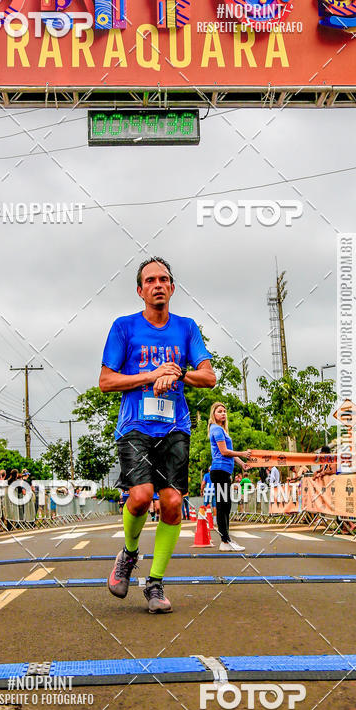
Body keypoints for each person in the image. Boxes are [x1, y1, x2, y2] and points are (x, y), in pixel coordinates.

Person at [100, 256, 216, 613]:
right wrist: (151, 376)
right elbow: (106, 381)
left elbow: (209, 377)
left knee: (172, 502)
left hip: (175, 426)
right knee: (139, 496)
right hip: (135, 425)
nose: (158, 285)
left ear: (172, 288)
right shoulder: (124, 327)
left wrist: (178, 373)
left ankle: (155, 584)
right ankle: (129, 554)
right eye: (150, 280)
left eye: (164, 279)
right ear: (140, 290)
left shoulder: (186, 328)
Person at [208, 402, 250, 551]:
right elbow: (224, 452)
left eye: (224, 411)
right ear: (214, 414)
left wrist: (242, 463)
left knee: (226, 506)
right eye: (219, 411)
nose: (223, 413)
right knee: (222, 506)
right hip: (219, 471)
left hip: (225, 471)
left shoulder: (223, 431)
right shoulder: (216, 429)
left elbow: (229, 452)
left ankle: (226, 539)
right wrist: (243, 453)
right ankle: (225, 541)